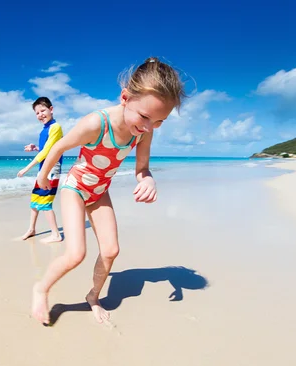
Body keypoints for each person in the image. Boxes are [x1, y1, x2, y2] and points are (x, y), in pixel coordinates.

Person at [30, 57, 186, 325]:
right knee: (76, 254)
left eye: (159, 121)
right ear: (125, 97)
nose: (149, 127)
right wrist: (43, 177)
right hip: (76, 189)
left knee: (111, 250)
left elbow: (142, 168)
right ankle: (41, 289)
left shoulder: (143, 130)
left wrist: (148, 180)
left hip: (100, 191)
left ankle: (93, 296)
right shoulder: (96, 123)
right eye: (146, 117)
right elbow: (58, 148)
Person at [17, 97, 64, 243]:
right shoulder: (45, 129)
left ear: (51, 109)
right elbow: (45, 149)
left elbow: (48, 152)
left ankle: (56, 234)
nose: (40, 115)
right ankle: (31, 229)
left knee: (45, 202)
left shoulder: (55, 127)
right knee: (35, 200)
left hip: (51, 168)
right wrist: (35, 148)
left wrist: (27, 167)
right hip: (44, 168)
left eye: (43, 110)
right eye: (37, 113)